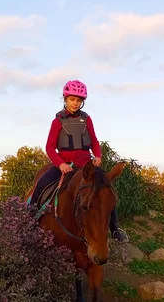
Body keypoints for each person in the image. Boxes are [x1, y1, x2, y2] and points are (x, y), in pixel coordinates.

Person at [29, 79, 129, 243]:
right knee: (42, 184)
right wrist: (60, 164)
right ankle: (29, 219)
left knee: (104, 189)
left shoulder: (87, 119)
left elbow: (95, 142)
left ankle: (115, 229)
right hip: (65, 166)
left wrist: (98, 156)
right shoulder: (57, 121)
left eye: (79, 100)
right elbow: (49, 147)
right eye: (72, 99)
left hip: (85, 166)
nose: (75, 103)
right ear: (65, 99)